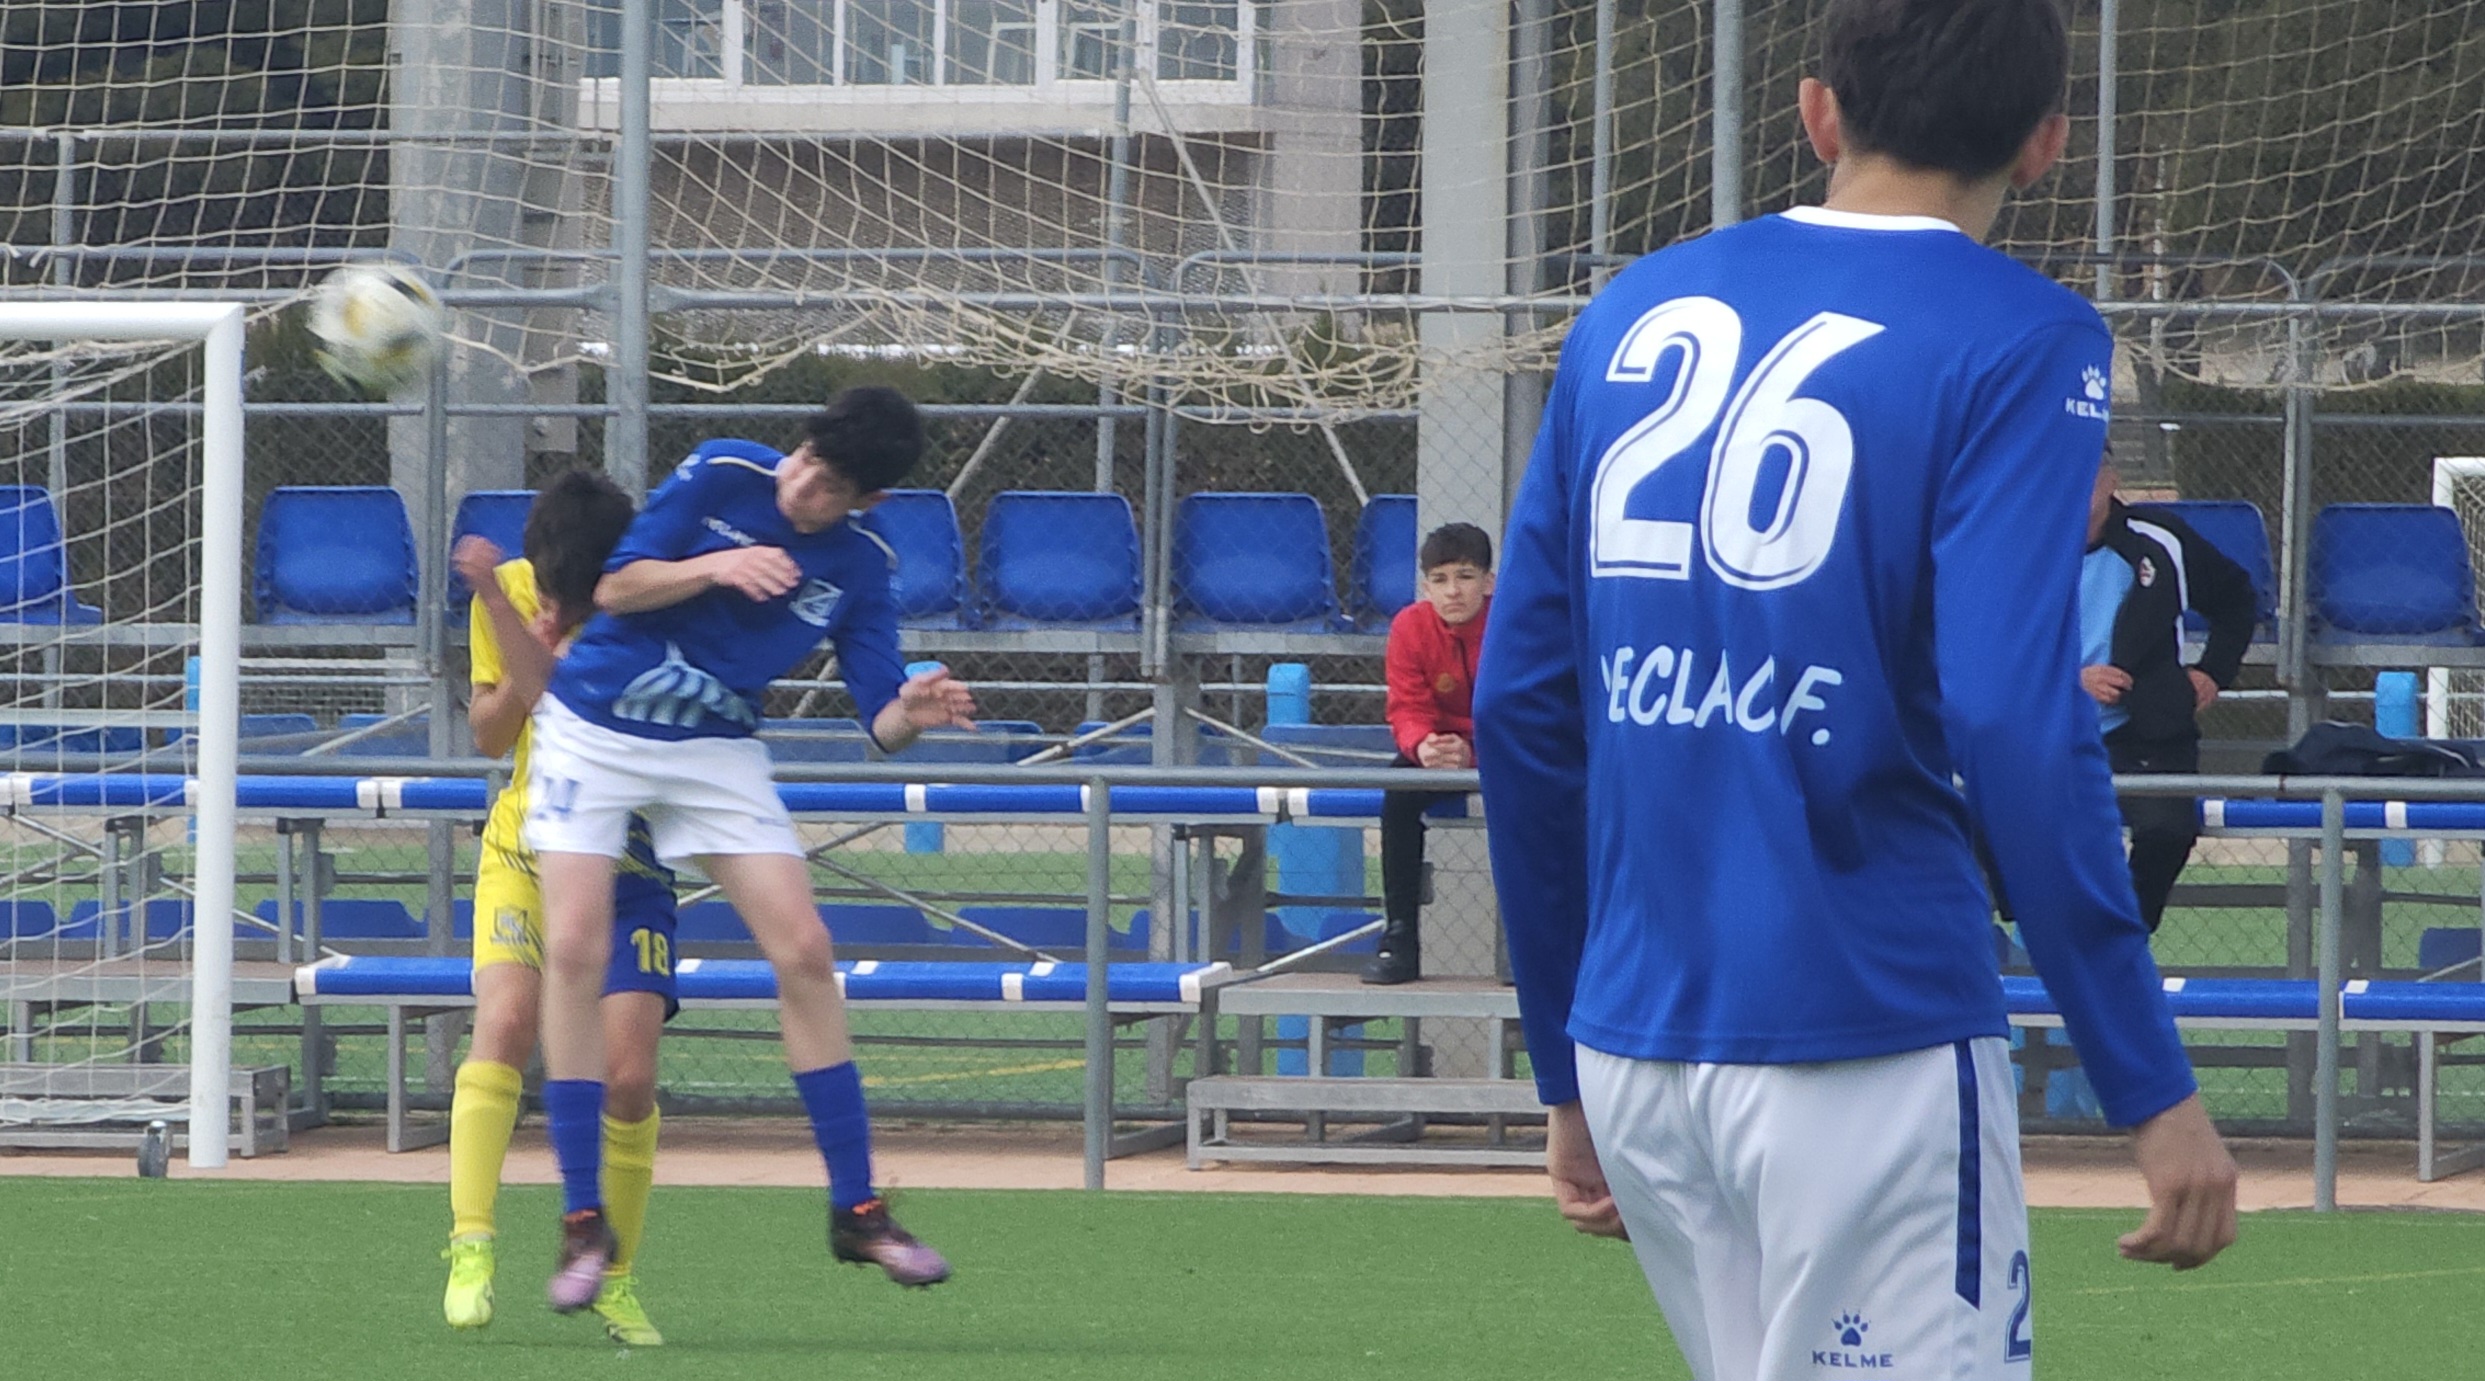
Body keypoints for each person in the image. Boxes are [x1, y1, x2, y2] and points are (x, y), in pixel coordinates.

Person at [1473, 2, 2239, 1377]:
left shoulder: (1627, 307)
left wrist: (1563, 1060)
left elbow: (1521, 706)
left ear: (1818, 113)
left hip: (1640, 1041)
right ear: (2046, 143)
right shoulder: (2025, 334)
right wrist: (2147, 1079)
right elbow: (2010, 714)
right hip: (1865, 1028)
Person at [525, 388, 976, 1311]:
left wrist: (914, 710)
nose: (801, 484)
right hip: (594, 729)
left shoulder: (862, 566)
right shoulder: (723, 469)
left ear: (869, 500)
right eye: (804, 458)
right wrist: (720, 564)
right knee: (571, 948)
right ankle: (581, 1218)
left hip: (714, 749)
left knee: (804, 950)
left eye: (829, 483)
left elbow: (880, 723)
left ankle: (857, 1209)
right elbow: (614, 587)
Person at [441, 470, 679, 1347]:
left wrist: (554, 649)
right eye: (539, 585)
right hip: (522, 850)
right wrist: (520, 637)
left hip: (630, 861)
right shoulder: (507, 588)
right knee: (505, 1022)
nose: (547, 600)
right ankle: (471, 1241)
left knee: (630, 1076)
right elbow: (490, 732)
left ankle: (615, 1278)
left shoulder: (651, 607)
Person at [2079, 454, 2256, 932]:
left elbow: (2236, 598)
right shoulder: (2018, 543)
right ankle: (2032, 932)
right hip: (2048, 729)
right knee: (2004, 823)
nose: (2074, 480)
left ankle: (2121, 937)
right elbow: (1989, 643)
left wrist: (2213, 671)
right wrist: (2071, 681)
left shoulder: (2159, 540)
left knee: (2166, 831)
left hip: (2144, 732)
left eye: (2089, 469)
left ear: (2111, 479)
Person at [1364, 522, 1495, 986]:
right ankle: (1399, 936)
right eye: (1440, 580)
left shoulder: (1512, 624)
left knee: (1547, 796)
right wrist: (1423, 744)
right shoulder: (1409, 626)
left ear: (1488, 582)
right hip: (1438, 750)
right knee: (1399, 792)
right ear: (1425, 587)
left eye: (1464, 576)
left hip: (1505, 748)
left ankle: (1537, 942)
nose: (1452, 591)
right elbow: (1406, 706)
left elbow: (1524, 707)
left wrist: (1476, 752)